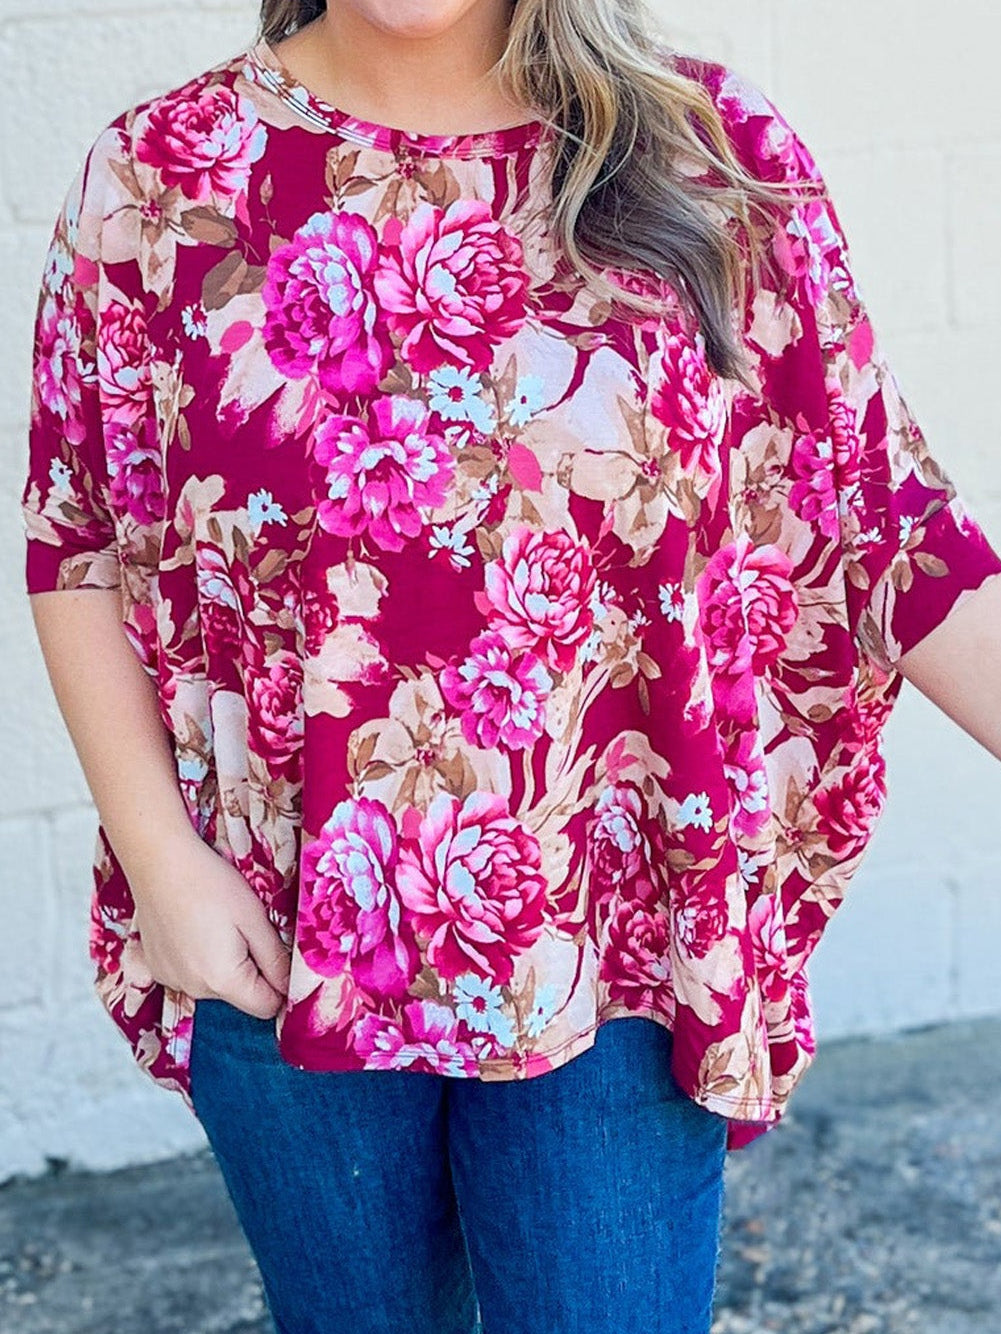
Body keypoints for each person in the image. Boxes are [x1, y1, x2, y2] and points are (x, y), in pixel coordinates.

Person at [20, 1, 1001, 1331]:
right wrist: (160, 861)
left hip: (616, 953)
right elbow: (79, 536)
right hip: (283, 929)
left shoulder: (702, 154)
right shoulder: (163, 175)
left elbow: (878, 517)